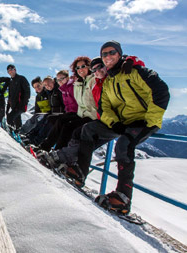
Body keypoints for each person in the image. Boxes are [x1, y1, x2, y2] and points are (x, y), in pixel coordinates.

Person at [64, 41, 170, 214]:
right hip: (122, 123)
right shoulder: (109, 81)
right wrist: (115, 123)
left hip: (143, 120)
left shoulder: (135, 71)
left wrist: (150, 120)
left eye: (111, 52)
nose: (107, 57)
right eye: (104, 54)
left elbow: (161, 91)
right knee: (88, 130)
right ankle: (80, 173)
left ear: (119, 54)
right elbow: (103, 107)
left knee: (124, 145)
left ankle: (123, 197)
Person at [37, 56, 97, 152]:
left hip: (88, 115)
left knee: (66, 126)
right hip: (79, 113)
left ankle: (57, 152)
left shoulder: (89, 81)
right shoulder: (77, 83)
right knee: (59, 121)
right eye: (78, 68)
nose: (80, 69)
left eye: (83, 66)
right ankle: (45, 146)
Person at [6, 64, 31, 131]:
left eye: (11, 69)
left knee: (10, 118)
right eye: (8, 71)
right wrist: (8, 107)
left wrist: (24, 103)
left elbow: (27, 91)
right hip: (14, 106)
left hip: (20, 105)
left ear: (15, 70)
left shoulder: (21, 78)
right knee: (17, 122)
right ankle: (19, 133)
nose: (10, 72)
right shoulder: (11, 82)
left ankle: (11, 133)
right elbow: (10, 96)